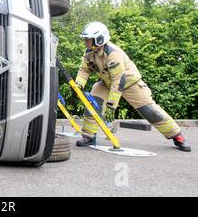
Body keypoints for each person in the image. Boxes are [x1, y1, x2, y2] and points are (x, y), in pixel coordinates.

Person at [74, 22, 191, 152]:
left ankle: (176, 135)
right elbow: (84, 70)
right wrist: (78, 83)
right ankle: (89, 136)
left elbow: (118, 81)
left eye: (88, 39)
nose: (85, 42)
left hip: (130, 83)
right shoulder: (89, 52)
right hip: (106, 83)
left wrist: (111, 105)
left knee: (150, 111)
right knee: (93, 105)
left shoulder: (113, 54)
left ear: (99, 39)